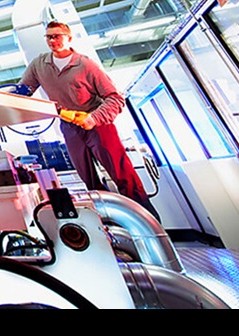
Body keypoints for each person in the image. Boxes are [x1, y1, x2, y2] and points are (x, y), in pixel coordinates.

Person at [19, 21, 160, 221]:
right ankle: (112, 225)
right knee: (89, 181)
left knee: (123, 176)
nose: (53, 40)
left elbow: (116, 98)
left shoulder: (85, 65)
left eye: (57, 36)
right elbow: (23, 91)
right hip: (69, 126)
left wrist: (94, 118)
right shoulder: (39, 65)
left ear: (69, 38)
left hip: (97, 124)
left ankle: (151, 223)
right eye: (49, 37)